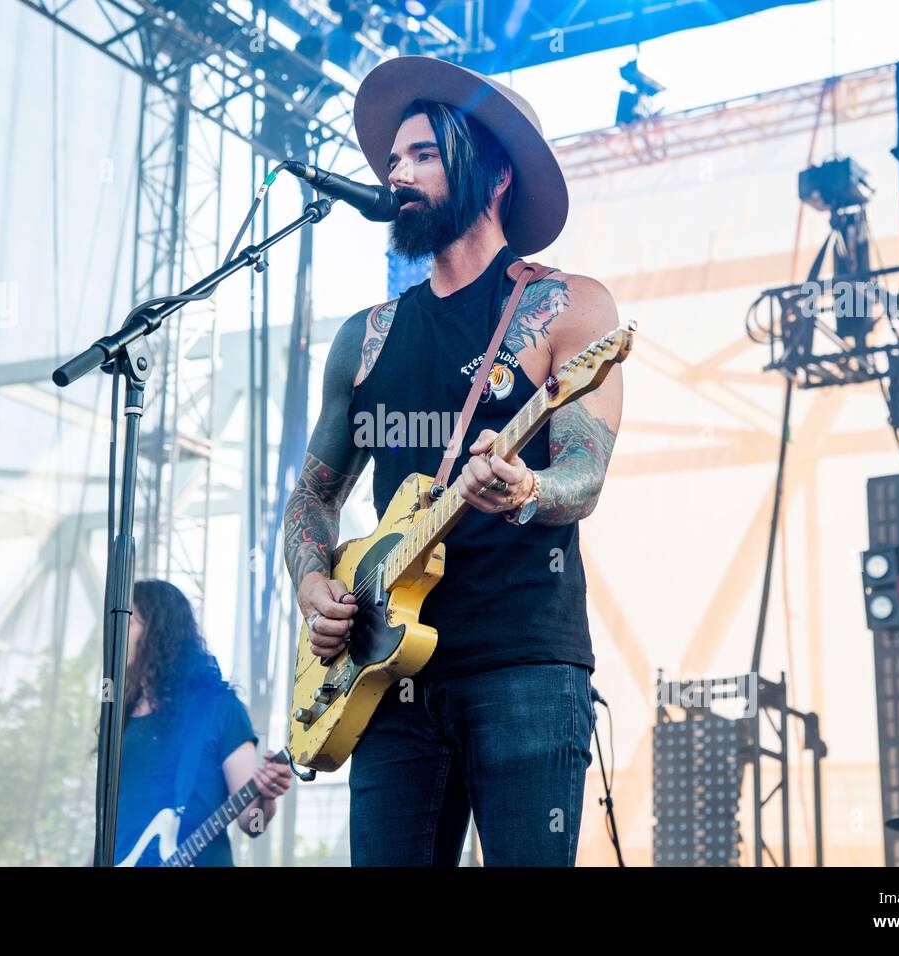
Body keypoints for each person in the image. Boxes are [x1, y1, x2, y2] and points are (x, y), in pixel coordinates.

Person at [282, 57, 624, 866]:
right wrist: (310, 586)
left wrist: (525, 487)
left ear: (495, 172)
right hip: (383, 673)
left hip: (522, 662)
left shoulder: (568, 307)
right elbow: (313, 499)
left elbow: (585, 476)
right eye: (393, 159)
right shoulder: (363, 340)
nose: (397, 172)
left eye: (423, 154)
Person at [113, 579, 290, 866]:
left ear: (157, 631)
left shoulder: (219, 709)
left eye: (129, 621)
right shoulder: (119, 721)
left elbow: (253, 824)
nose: (118, 632)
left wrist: (266, 797)